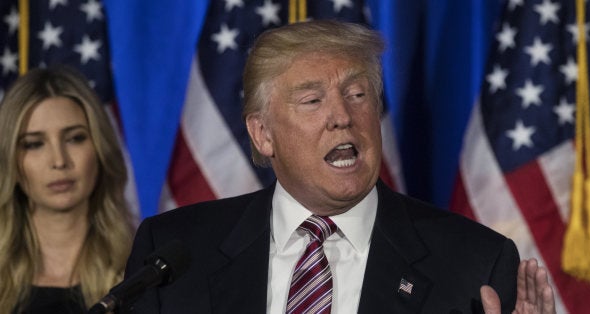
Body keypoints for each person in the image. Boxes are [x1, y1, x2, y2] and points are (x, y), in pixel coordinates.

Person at [123, 20, 555, 313]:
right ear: (262, 134)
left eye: (357, 95)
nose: (342, 116)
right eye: (313, 101)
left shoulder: (475, 261)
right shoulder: (173, 253)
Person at [0, 66, 135, 313]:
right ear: (9, 159)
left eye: (75, 138)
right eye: (34, 144)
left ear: (99, 147)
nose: (59, 161)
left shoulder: (142, 274)